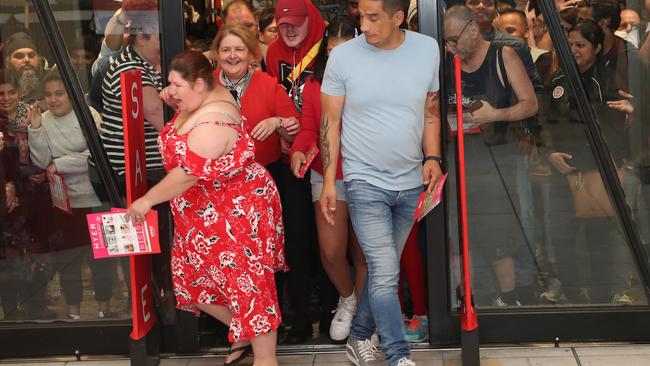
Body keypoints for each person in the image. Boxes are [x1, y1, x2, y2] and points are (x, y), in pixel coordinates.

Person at [126, 50, 285, 366]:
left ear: (199, 84)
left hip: (237, 213)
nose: (170, 91)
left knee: (249, 287)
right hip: (202, 217)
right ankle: (243, 331)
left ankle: (266, 360)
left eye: (176, 85)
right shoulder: (197, 100)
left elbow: (188, 174)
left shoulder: (213, 121)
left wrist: (146, 200)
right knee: (195, 285)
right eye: (169, 83)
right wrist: (174, 98)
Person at [319, 0, 442, 363]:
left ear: (398, 17)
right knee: (386, 271)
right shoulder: (343, 59)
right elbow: (330, 123)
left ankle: (359, 338)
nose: (365, 25)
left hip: (410, 180)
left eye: (373, 17)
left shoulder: (426, 49)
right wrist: (330, 182)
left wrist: (432, 157)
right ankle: (397, 355)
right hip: (363, 179)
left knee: (381, 269)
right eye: (362, 16)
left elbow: (430, 110)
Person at [445, 5, 539, 306]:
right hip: (456, 155)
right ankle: (466, 301)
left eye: (453, 40)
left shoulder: (504, 56)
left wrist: (495, 114)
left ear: (472, 29)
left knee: (497, 232)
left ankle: (509, 298)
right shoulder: (447, 62)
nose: (450, 47)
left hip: (496, 158)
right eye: (446, 42)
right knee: (456, 234)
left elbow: (531, 104)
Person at [544, 19, 634, 305]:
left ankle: (603, 293)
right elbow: (542, 123)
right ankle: (572, 291)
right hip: (561, 167)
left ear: (596, 48)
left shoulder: (606, 81)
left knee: (599, 236)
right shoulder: (557, 80)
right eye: (569, 44)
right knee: (561, 233)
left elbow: (614, 128)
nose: (574, 50)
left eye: (580, 45)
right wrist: (549, 153)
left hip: (596, 168)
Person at [289, 16, 366, 342]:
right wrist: (297, 149)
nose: (338, 59)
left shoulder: (372, 80)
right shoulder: (314, 85)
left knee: (364, 251)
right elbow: (309, 126)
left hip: (365, 173)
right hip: (326, 172)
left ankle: (364, 316)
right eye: (332, 51)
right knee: (331, 252)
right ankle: (347, 299)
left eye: (345, 50)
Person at [27, 70, 114, 320]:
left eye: (59, 94)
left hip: (97, 199)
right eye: (48, 95)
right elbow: (42, 161)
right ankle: (73, 311)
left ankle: (104, 308)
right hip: (65, 203)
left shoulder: (89, 114)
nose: (53, 100)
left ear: (71, 94)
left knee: (101, 259)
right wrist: (35, 129)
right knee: (68, 261)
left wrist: (61, 163)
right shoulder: (43, 119)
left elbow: (97, 155)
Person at [266, 0, 326, 112]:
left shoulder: (326, 50)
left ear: (310, 20)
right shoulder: (274, 51)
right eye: (283, 24)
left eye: (296, 23)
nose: (289, 29)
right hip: (285, 122)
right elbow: (272, 97)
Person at [3, 32, 45, 104]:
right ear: (7, 62)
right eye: (19, 56)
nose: (27, 60)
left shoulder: (49, 87)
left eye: (31, 55)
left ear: (39, 59)